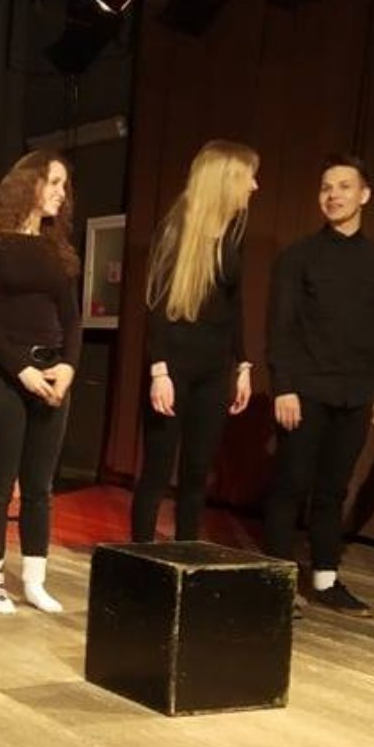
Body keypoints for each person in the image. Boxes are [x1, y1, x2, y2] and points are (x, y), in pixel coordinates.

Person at [261, 155, 374, 616]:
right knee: (290, 486)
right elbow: (280, 327)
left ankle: (325, 578)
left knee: (334, 488)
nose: (333, 195)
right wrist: (284, 386)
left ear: (365, 194)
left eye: (344, 186)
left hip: (356, 394)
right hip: (305, 392)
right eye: (326, 187)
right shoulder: (298, 257)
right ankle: (278, 582)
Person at [0, 150, 82, 614]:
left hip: (52, 374)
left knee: (40, 486)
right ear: (28, 184)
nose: (60, 193)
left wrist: (68, 367)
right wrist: (21, 370)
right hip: (6, 373)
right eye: (53, 182)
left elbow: (71, 319)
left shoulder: (56, 249)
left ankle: (34, 579)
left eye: (63, 185)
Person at [130, 140, 258, 542]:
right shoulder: (176, 230)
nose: (254, 186)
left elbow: (235, 306)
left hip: (214, 369)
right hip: (173, 367)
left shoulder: (234, 231)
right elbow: (156, 308)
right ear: (225, 179)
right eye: (248, 176)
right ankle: (140, 553)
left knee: (197, 471)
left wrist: (243, 364)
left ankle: (186, 552)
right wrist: (159, 371)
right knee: (157, 470)